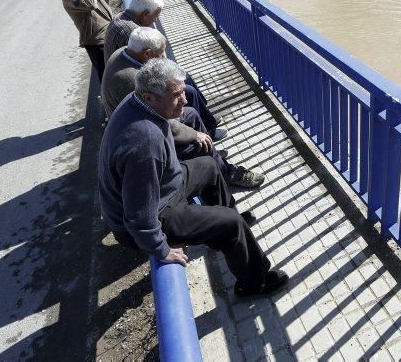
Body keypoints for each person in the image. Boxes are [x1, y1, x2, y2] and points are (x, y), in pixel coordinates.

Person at [98, 58, 288, 297]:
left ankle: (223, 234)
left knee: (208, 166)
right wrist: (161, 249)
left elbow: (171, 126)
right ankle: (253, 282)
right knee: (231, 222)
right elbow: (138, 214)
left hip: (163, 187)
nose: (185, 100)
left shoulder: (138, 100)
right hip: (153, 214)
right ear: (149, 97)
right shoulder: (145, 144)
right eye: (177, 95)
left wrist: (195, 133)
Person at [101, 28, 264, 187]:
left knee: (191, 111)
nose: (164, 56)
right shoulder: (133, 80)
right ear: (148, 54)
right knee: (197, 144)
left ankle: (212, 150)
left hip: (144, 118)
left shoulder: (125, 52)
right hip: (144, 137)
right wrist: (194, 134)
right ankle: (228, 173)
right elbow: (163, 122)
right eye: (162, 53)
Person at [104, 0, 220, 132]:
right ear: (145, 14)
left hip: (134, 87)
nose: (154, 22)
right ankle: (206, 129)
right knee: (187, 91)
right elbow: (152, 108)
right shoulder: (132, 34)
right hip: (136, 124)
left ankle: (207, 120)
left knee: (184, 79)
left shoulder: (121, 19)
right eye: (155, 16)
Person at [61, 0, 113, 82]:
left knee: (113, 73)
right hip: (96, 42)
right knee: (107, 77)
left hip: (106, 36)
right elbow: (91, 4)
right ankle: (107, 101)